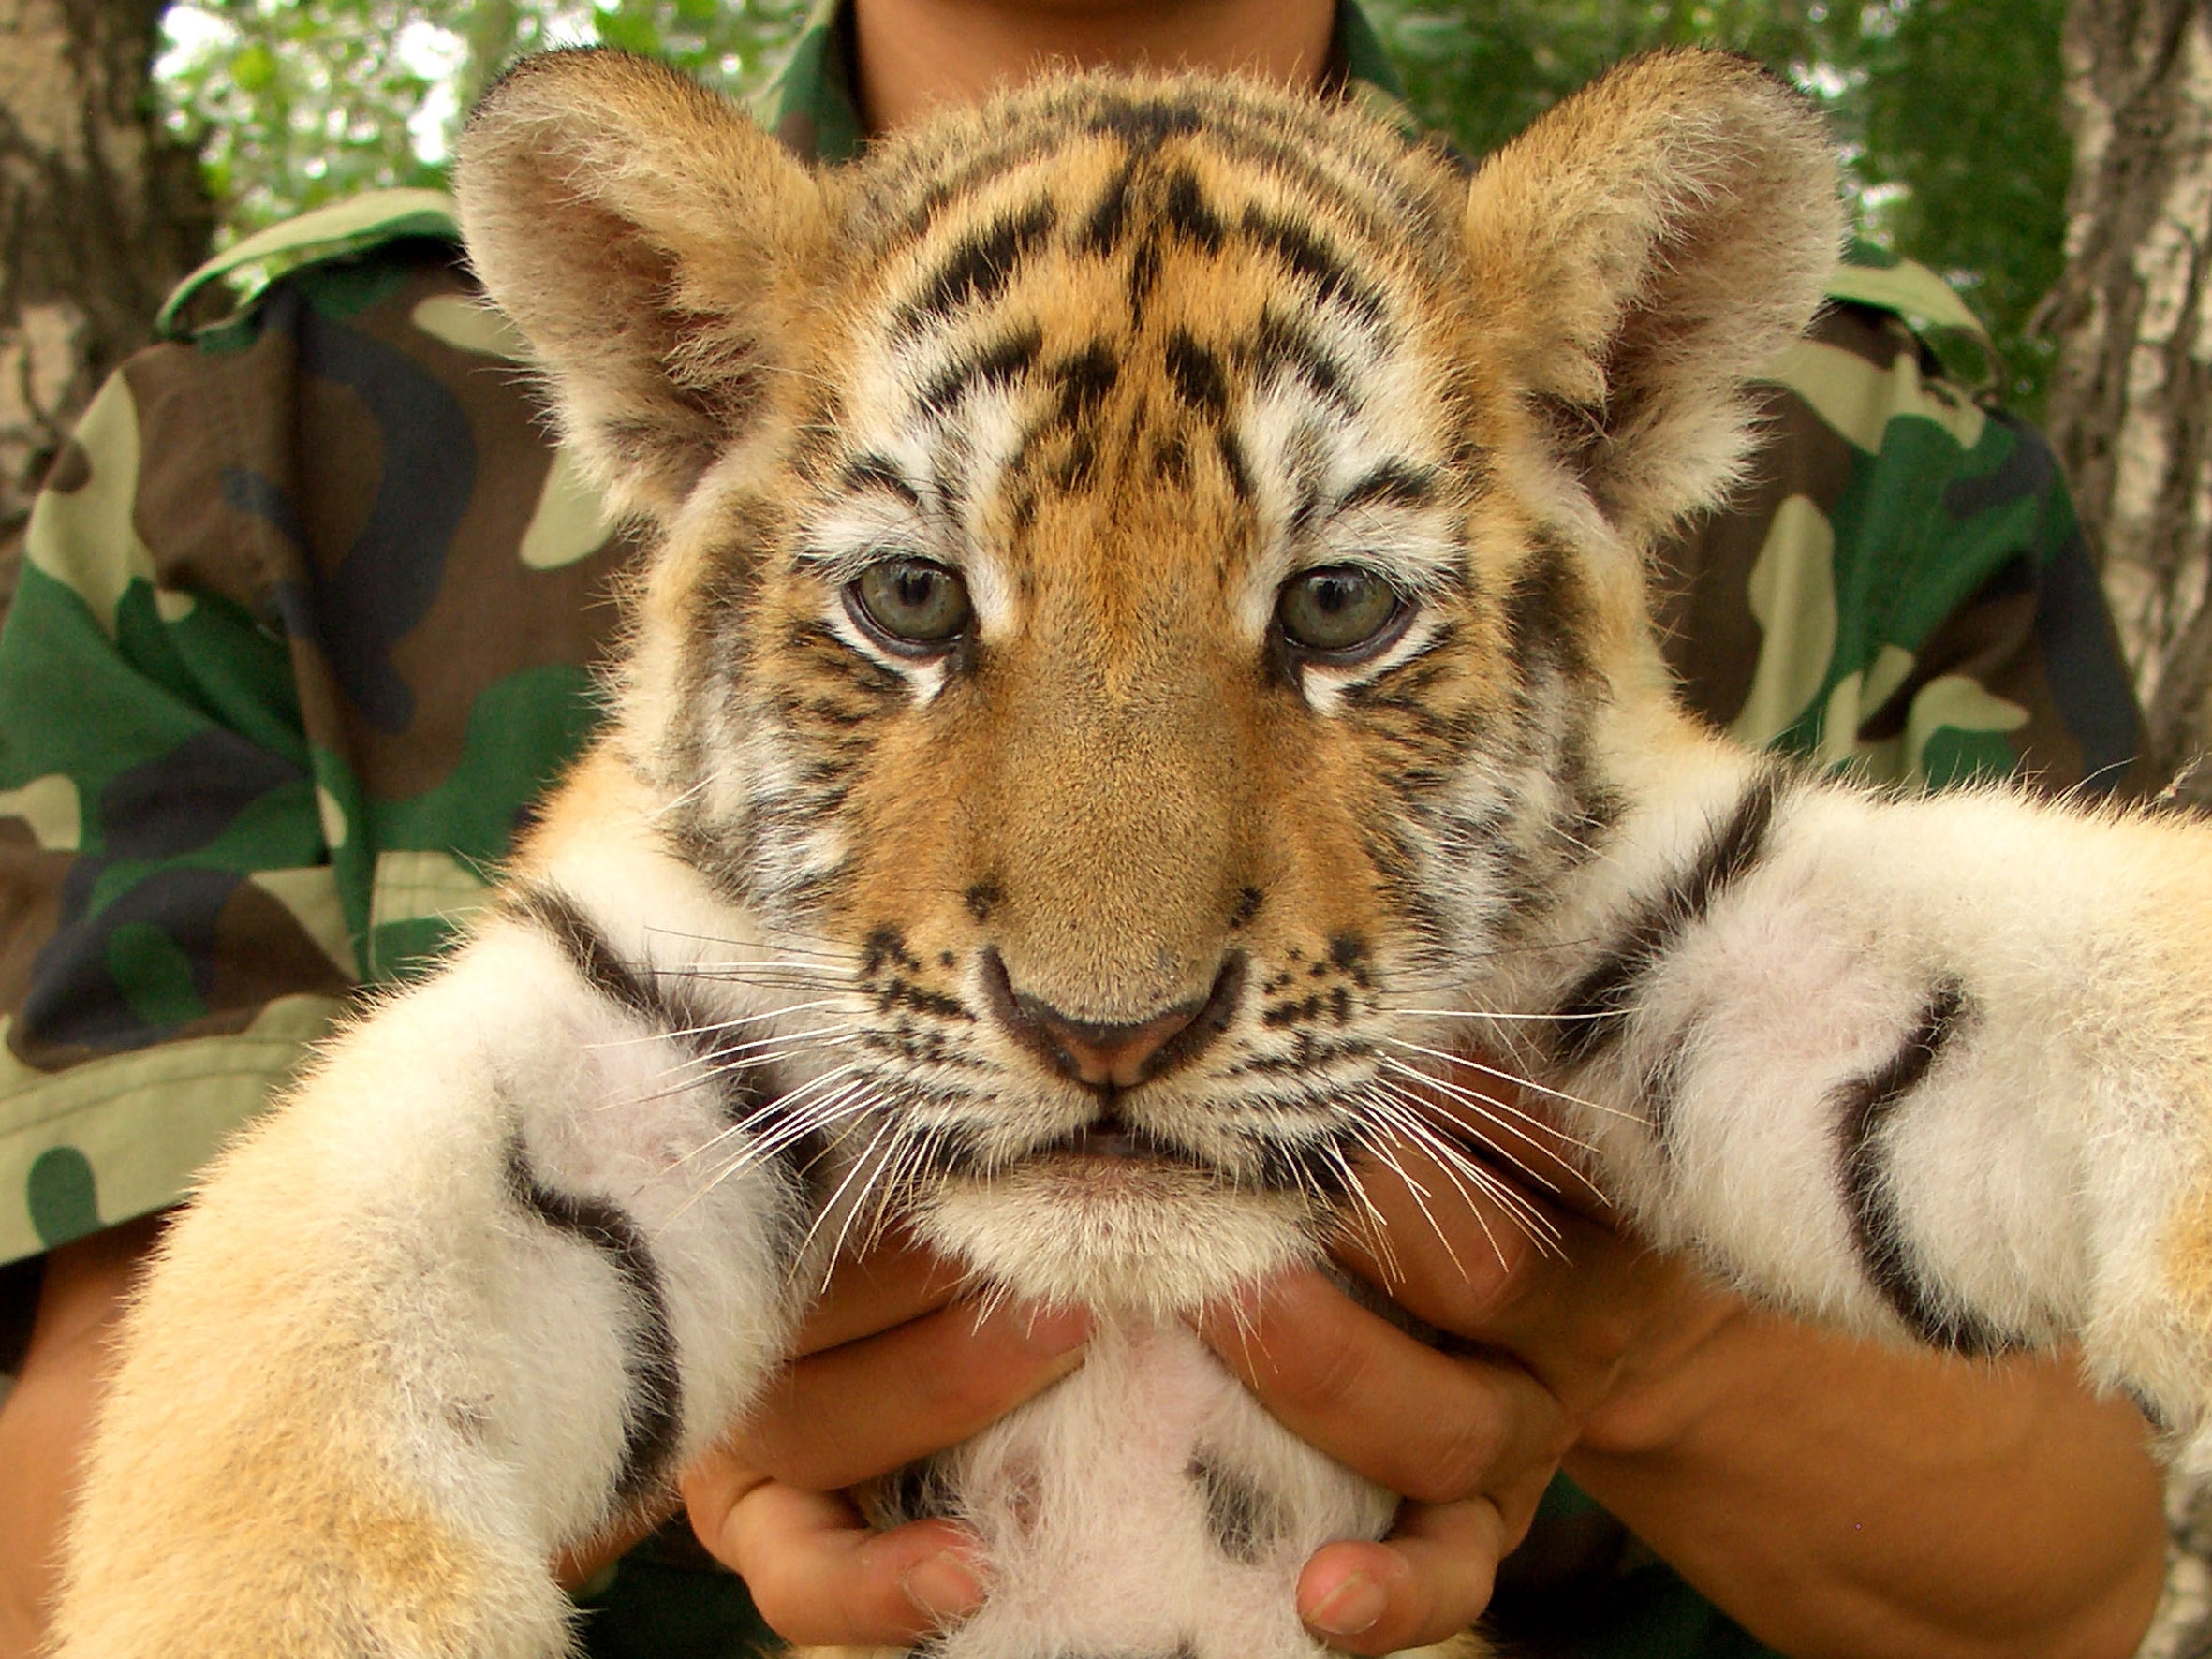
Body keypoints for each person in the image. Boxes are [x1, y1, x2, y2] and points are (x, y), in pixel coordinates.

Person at [0, 0, 2175, 1655]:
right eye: (905, 603)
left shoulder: (1725, 523)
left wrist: (1652, 1306)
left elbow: (2075, 1506)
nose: (1103, 965)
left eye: (1338, 608)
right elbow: (283, 1362)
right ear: (665, 395)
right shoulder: (264, 415)